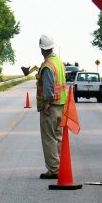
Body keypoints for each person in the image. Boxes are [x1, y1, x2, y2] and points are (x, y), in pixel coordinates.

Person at [36, 35, 68, 179]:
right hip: (61, 105)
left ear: (42, 50)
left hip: (51, 106)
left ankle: (54, 169)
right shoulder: (59, 62)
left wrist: (47, 104)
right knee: (58, 137)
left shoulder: (48, 65)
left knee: (48, 138)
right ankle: (60, 165)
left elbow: (48, 88)